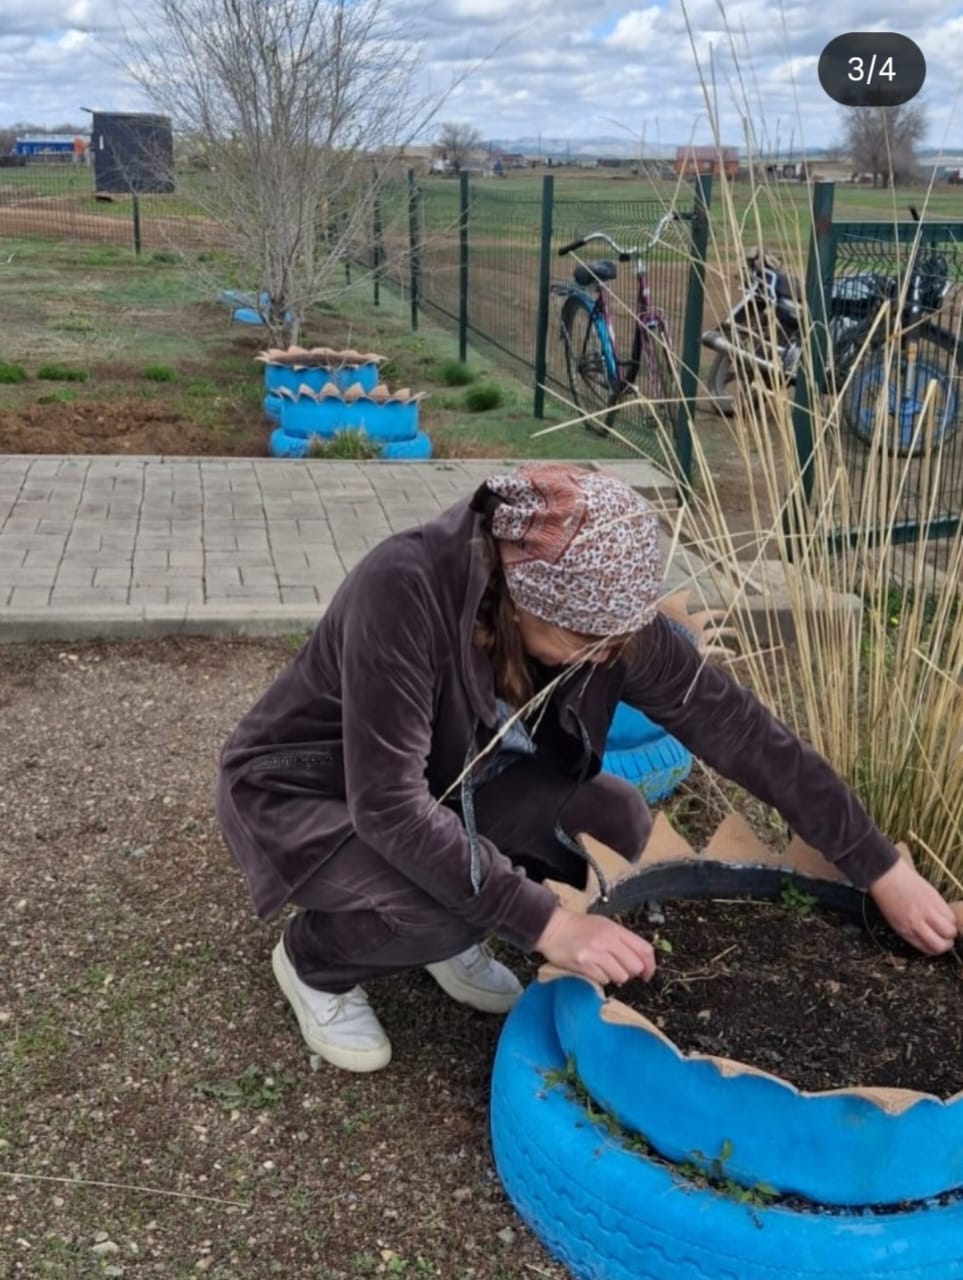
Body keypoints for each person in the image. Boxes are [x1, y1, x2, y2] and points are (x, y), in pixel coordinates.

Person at [214, 462, 958, 1072]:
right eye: (587, 642)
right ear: (517, 600)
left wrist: (880, 867)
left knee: (617, 819)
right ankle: (313, 964)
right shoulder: (405, 588)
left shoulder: (609, 626)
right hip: (309, 793)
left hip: (453, 784)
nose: (607, 658)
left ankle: (453, 929)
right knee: (441, 908)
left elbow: (746, 734)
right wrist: (544, 924)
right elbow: (387, 804)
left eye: (618, 641)